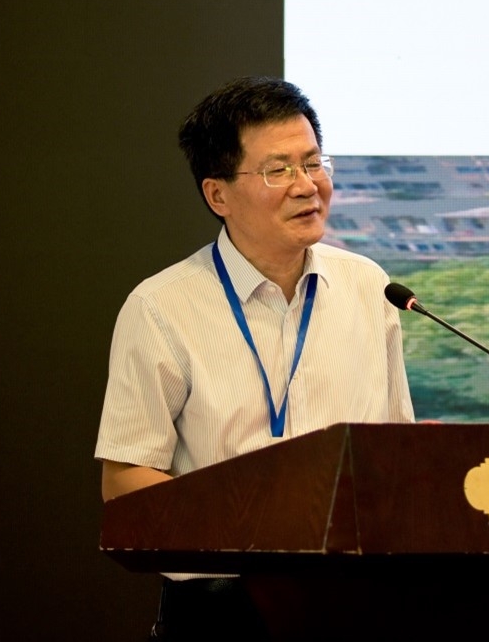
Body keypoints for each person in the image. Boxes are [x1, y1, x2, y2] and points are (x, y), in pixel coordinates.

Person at [95, 77, 415, 640]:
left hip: (357, 601)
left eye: (313, 163)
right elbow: (124, 480)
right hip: (222, 611)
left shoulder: (369, 286)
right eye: (278, 170)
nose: (307, 186)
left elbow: (396, 448)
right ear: (217, 195)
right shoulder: (161, 306)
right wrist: (251, 520)